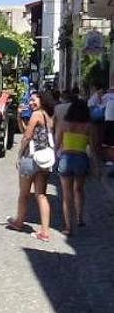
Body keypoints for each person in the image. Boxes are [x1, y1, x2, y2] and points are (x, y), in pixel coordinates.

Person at [7, 91, 55, 242]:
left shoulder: (36, 115)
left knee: (24, 194)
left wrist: (19, 155)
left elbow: (27, 136)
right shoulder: (48, 116)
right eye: (30, 100)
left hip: (31, 158)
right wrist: (19, 116)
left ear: (42, 100)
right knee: (41, 195)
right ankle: (45, 232)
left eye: (34, 100)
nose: (31, 103)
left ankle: (19, 222)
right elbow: (26, 130)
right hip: (45, 159)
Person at [55, 99, 92, 235]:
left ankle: (68, 227)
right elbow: (92, 147)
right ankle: (79, 218)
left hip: (66, 158)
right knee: (79, 190)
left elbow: (57, 144)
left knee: (66, 195)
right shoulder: (88, 126)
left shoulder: (63, 124)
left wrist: (55, 159)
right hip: (81, 158)